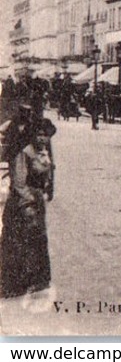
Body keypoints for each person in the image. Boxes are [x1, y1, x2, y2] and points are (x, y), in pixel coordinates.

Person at [0, 113, 55, 301]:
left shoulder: (42, 151)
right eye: (39, 134)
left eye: (46, 135)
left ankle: (36, 280)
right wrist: (29, 203)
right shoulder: (25, 152)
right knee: (19, 241)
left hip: (35, 201)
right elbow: (19, 183)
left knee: (36, 240)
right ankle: (14, 285)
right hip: (22, 203)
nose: (43, 138)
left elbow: (47, 173)